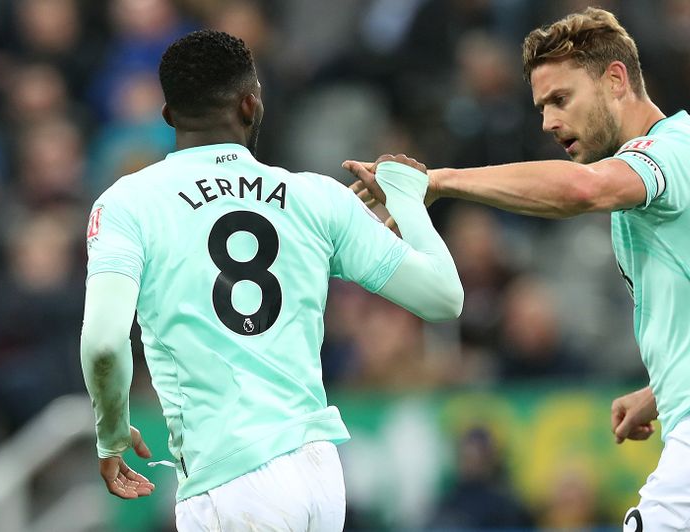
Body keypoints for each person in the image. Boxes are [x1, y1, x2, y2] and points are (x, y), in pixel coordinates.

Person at [348, 7, 690, 531]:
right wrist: (660, 392)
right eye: (540, 107)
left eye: (561, 99)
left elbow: (584, 190)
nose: (549, 121)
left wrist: (439, 181)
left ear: (616, 79)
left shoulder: (665, 155)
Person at [79, 30, 463, 532]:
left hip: (229, 479)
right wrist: (408, 199)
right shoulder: (319, 199)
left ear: (169, 116)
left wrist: (110, 436)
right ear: (251, 104)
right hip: (319, 474)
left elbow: (105, 345)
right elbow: (444, 298)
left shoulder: (128, 204)